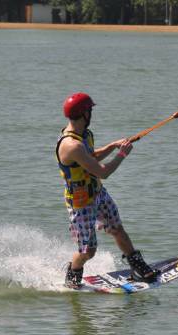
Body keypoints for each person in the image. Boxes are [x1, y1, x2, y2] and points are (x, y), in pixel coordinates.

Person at [56, 92, 158, 289]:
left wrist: (113, 146)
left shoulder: (85, 135)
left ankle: (138, 267)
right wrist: (122, 154)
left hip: (98, 193)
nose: (91, 114)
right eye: (90, 110)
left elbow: (91, 156)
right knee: (88, 251)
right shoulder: (71, 145)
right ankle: (72, 275)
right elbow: (103, 172)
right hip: (81, 203)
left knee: (117, 229)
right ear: (84, 114)